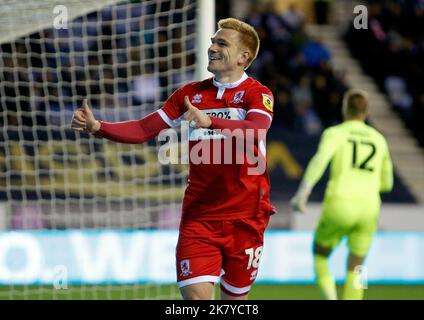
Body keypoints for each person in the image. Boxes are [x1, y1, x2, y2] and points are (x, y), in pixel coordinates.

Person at [71, 18, 275, 300]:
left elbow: (256, 132)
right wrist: (98, 127)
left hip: (246, 217)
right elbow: (145, 129)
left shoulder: (257, 94)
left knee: (235, 301)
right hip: (199, 217)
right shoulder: (189, 94)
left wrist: (210, 121)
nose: (212, 47)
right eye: (213, 41)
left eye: (222, 43)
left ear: (244, 57)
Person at [290, 89, 393, 300]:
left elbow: (320, 161)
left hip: (341, 202)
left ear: (345, 108)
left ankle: (331, 298)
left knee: (320, 253)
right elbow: (387, 183)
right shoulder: (379, 139)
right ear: (366, 111)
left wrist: (303, 193)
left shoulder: (336, 133)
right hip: (369, 207)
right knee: (358, 266)